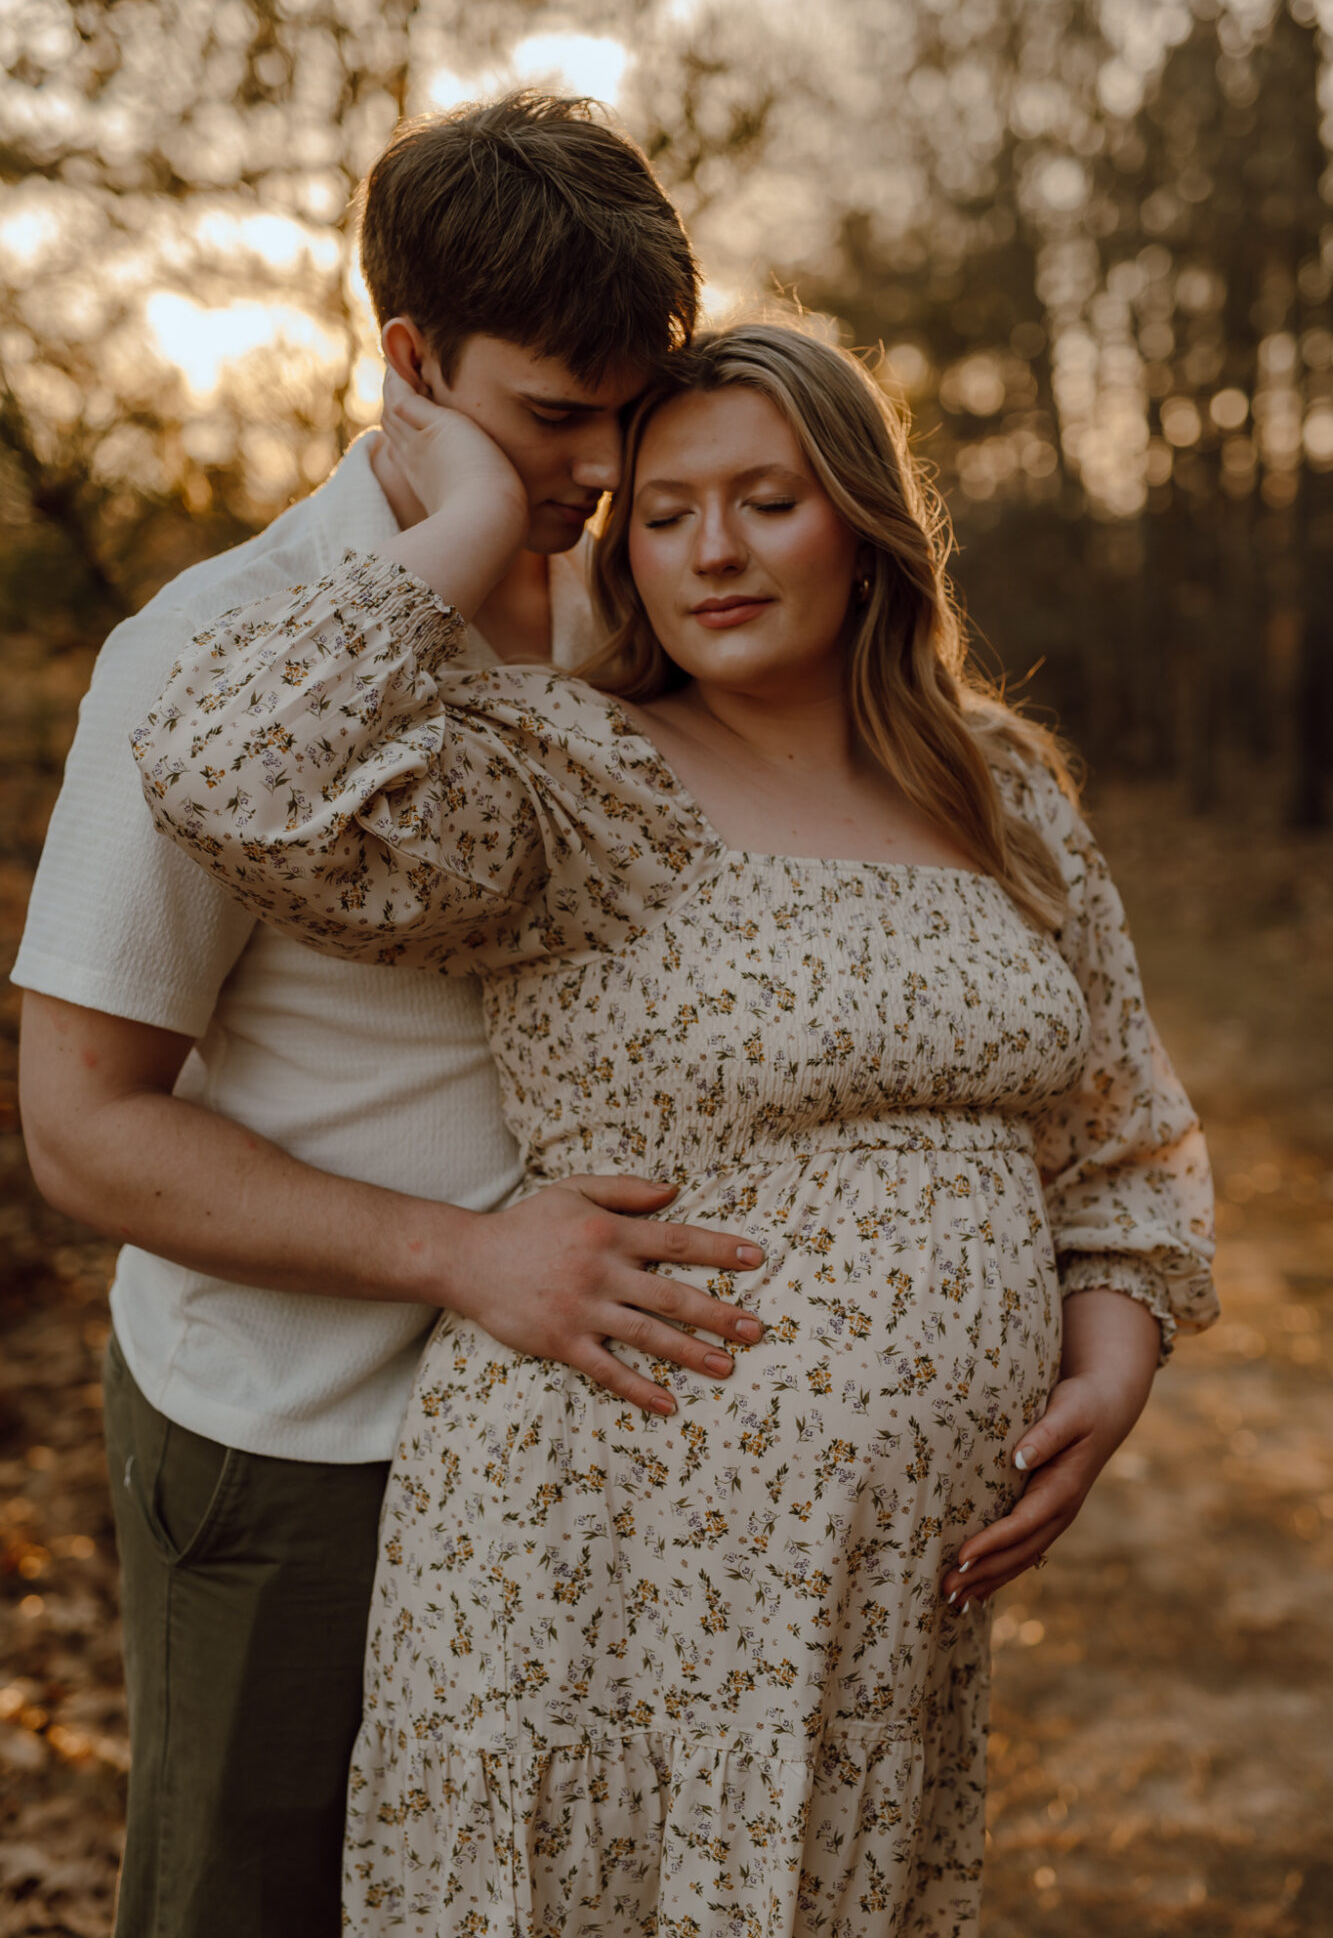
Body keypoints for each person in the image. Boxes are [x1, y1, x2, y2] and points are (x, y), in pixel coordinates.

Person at [134, 320, 1218, 1936]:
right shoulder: (576, 778)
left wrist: (1113, 1356)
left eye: (767, 501)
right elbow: (230, 771)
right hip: (592, 1552)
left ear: (861, 522)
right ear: (620, 549)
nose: (712, 550)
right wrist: (468, 520)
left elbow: (1123, 1130)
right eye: (663, 511)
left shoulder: (994, 785)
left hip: (873, 1612)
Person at [13, 95, 768, 1938]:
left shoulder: (658, 610)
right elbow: (82, 1122)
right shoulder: (205, 654)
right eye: (548, 416)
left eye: (632, 403)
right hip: (300, 1452)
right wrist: (459, 1255)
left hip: (609, 1441)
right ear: (411, 365)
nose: (602, 462)